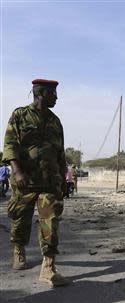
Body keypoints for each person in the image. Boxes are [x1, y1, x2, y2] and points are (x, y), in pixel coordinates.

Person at [2, 79, 69, 286]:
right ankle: (19, 250)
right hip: (25, 181)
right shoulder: (20, 115)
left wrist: (63, 178)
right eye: (52, 93)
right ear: (40, 93)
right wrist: (17, 171)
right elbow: (10, 144)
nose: (56, 97)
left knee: (50, 219)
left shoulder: (55, 121)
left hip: (50, 182)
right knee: (20, 219)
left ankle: (48, 266)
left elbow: (60, 153)